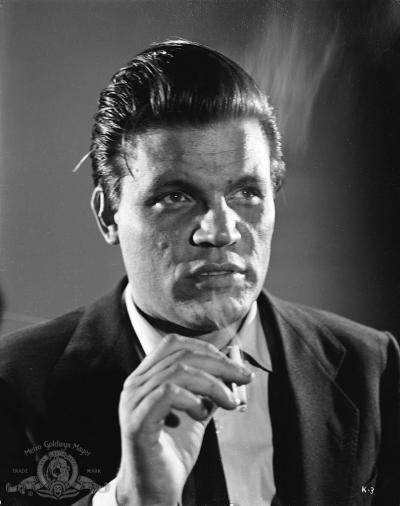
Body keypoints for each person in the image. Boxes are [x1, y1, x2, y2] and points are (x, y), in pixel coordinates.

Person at [0, 39, 399, 506]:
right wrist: (129, 499)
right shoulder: (13, 386)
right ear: (108, 216)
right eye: (175, 197)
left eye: (247, 193)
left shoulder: (372, 368)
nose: (220, 231)